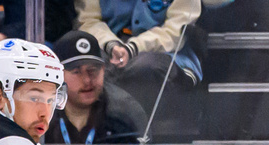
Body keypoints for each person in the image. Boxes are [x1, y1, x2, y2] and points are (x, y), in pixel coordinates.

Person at [74, 0, 203, 132]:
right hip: (108, 47)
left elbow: (176, 29)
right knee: (88, 71)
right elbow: (88, 21)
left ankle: (136, 136)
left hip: (168, 53)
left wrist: (134, 47)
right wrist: (111, 45)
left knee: (144, 68)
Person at [43, 30, 146, 145]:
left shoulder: (122, 121)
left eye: (92, 70)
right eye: (76, 72)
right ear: (57, 75)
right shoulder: (43, 121)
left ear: (103, 69)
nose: (87, 80)